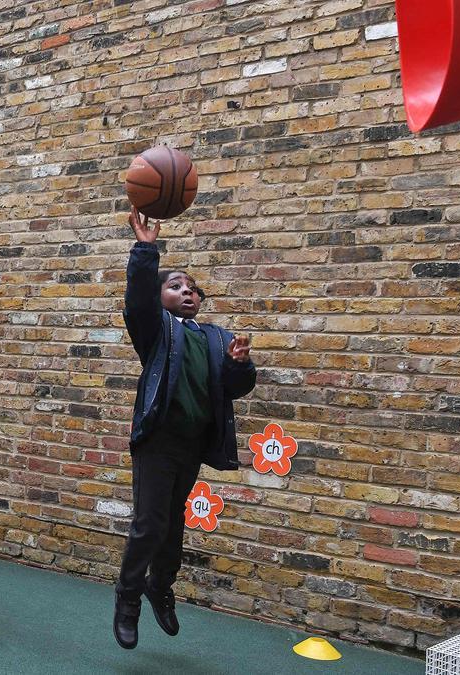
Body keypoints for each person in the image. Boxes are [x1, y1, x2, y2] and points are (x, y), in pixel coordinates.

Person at [113, 206, 256, 649]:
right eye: (175, 286)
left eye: (192, 288)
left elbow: (233, 388)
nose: (186, 292)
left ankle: (161, 586)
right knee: (149, 524)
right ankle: (128, 599)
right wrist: (145, 249)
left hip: (191, 445)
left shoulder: (213, 337)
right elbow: (137, 299)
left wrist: (239, 363)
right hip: (158, 440)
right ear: (161, 299)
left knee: (173, 524)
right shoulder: (158, 332)